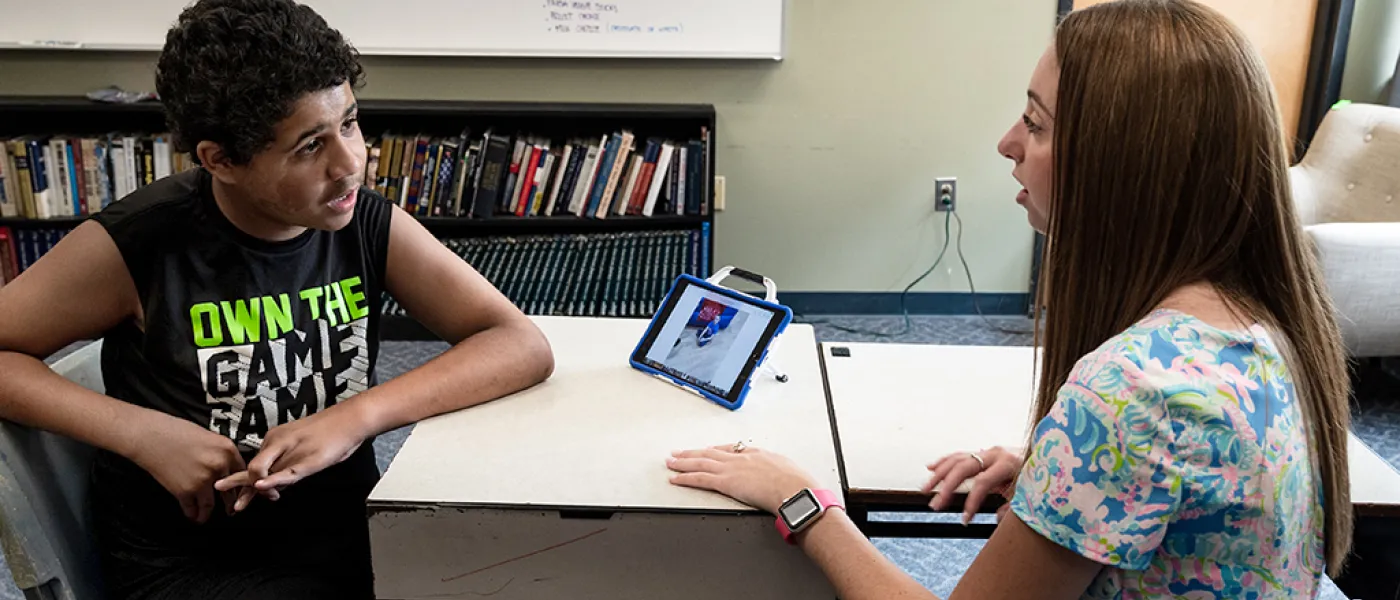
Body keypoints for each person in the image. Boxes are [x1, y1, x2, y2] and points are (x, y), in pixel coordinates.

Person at [667, 0, 1353, 598]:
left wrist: (802, 500)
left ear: (1121, 163)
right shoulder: (1258, 328)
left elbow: (1147, 429)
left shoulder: (1131, 393)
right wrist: (1059, 475)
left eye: (1038, 123)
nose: (1007, 144)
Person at [0, 0, 554, 598]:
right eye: (309, 146)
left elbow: (519, 344)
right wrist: (141, 434)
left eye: (349, 122)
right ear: (221, 160)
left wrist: (354, 418)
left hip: (350, 533)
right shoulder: (140, 243)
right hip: (198, 564)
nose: (350, 164)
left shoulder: (363, 222)